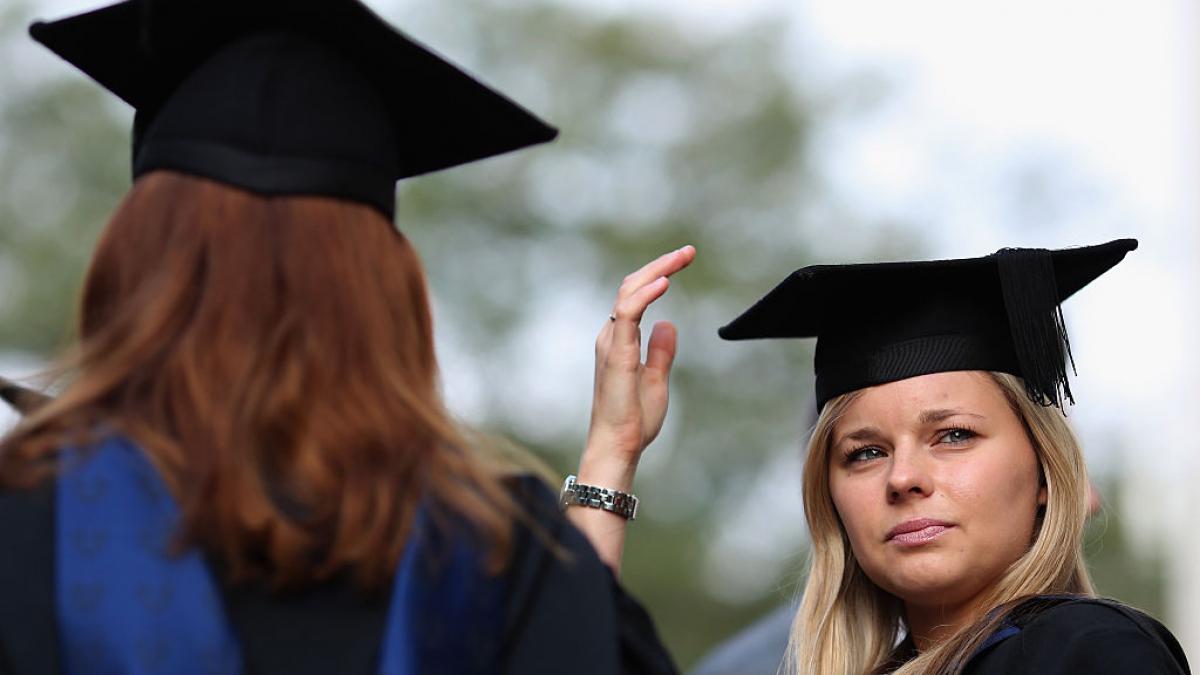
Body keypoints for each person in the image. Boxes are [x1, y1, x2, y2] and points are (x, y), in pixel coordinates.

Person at [0, 1, 680, 673]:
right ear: (386, 288)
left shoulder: (27, 525)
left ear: (130, 263)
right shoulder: (496, 556)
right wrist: (606, 461)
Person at [581, 239, 1191, 674]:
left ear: (1044, 471)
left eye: (953, 435)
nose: (903, 478)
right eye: (865, 452)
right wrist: (613, 450)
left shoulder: (1085, 651)